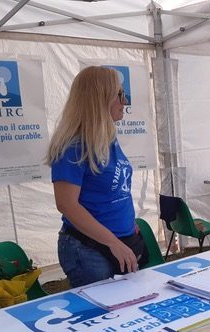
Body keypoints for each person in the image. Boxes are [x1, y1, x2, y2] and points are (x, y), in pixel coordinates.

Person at [47, 66, 146, 288]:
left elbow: (114, 188)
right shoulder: (73, 147)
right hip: (89, 250)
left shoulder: (107, 139)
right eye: (120, 95)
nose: (125, 101)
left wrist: (127, 221)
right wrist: (112, 242)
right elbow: (66, 205)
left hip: (118, 241)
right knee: (101, 315)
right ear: (101, 99)